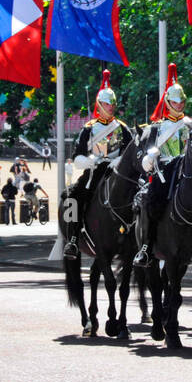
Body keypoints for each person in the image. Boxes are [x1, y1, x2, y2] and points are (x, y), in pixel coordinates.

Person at [63, 70, 130, 259]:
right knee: (73, 197)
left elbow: (131, 152)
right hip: (94, 172)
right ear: (99, 105)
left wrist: (119, 160)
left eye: (113, 104)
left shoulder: (122, 128)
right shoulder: (89, 128)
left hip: (116, 171)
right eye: (107, 104)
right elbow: (77, 157)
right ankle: (73, 239)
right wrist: (88, 161)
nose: (111, 107)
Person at [133, 65, 192, 266]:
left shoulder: (191, 125)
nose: (179, 105)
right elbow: (145, 158)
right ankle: (146, 247)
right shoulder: (157, 128)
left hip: (188, 170)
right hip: (166, 171)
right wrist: (150, 158)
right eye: (175, 102)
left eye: (182, 101)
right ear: (168, 102)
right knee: (152, 201)